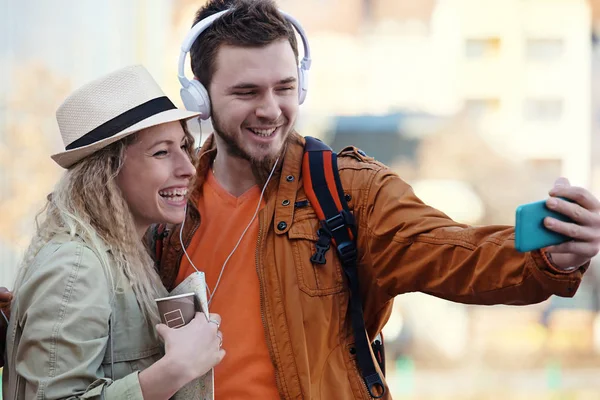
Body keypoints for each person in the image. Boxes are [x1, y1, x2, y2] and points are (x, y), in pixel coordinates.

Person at [146, 0, 600, 399]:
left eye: (284, 88)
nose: (271, 109)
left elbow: (454, 251)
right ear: (200, 98)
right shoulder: (167, 207)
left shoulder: (348, 190)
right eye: (247, 92)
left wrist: (550, 257)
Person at [2, 65, 225, 399]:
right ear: (107, 170)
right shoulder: (76, 267)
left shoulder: (128, 250)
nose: (187, 167)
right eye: (162, 152)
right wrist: (174, 370)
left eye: (183, 145)